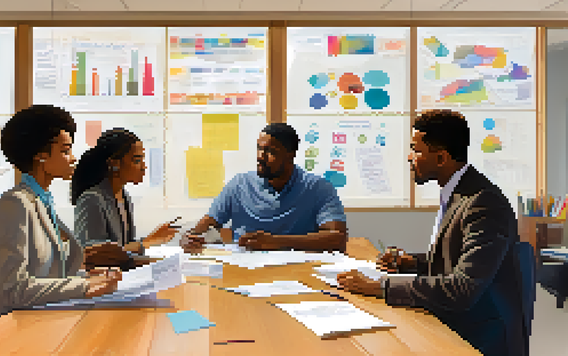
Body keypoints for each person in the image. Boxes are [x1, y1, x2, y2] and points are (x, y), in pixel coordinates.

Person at [336, 109, 530, 356]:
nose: (409, 157)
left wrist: (380, 287)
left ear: (441, 158)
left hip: (481, 338)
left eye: (416, 150)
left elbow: (463, 288)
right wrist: (410, 262)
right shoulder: (458, 191)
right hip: (458, 324)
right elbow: (458, 259)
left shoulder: (484, 204)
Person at [0, 105, 123, 331]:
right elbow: (14, 289)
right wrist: (84, 285)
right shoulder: (15, 204)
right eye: (65, 151)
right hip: (6, 328)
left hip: (38, 321)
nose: (73, 158)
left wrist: (87, 274)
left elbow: (47, 272)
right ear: (40, 155)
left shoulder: (42, 200)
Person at [181, 123, 347, 253]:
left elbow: (337, 239)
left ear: (291, 155)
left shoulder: (318, 188)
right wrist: (191, 237)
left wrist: (276, 242)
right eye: (259, 148)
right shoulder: (240, 184)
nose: (261, 156)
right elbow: (208, 223)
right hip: (245, 266)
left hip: (298, 268)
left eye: (270, 151)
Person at [72, 128, 179, 255]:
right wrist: (148, 241)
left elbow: (125, 247)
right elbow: (93, 254)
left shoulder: (124, 197)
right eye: (137, 161)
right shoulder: (92, 199)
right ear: (114, 164)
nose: (144, 167)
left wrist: (150, 240)